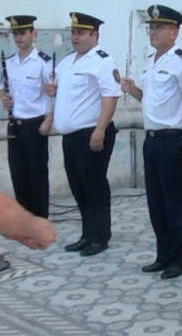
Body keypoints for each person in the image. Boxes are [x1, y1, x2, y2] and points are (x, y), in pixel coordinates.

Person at [120, 5, 182, 279]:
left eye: (159, 27)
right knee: (156, 202)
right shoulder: (151, 62)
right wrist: (133, 90)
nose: (153, 31)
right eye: (151, 27)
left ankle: (178, 258)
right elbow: (151, 101)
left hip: (173, 140)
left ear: (174, 32)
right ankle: (163, 254)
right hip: (151, 139)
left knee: (174, 202)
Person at [45, 13, 122, 257]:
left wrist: (100, 129)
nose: (75, 37)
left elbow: (110, 97)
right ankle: (87, 233)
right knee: (78, 186)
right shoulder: (68, 62)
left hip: (92, 133)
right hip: (71, 137)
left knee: (94, 185)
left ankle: (100, 236)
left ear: (94, 35)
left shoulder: (102, 61)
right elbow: (61, 96)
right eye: (73, 32)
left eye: (81, 33)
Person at [2, 16, 53, 219]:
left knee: (37, 175)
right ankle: (24, 219)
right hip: (15, 125)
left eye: (23, 33)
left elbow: (55, 94)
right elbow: (3, 88)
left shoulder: (43, 63)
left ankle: (40, 219)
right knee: (18, 173)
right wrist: (4, 99)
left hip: (35, 125)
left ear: (33, 33)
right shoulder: (9, 62)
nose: (19, 38)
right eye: (15, 33)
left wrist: (49, 120)